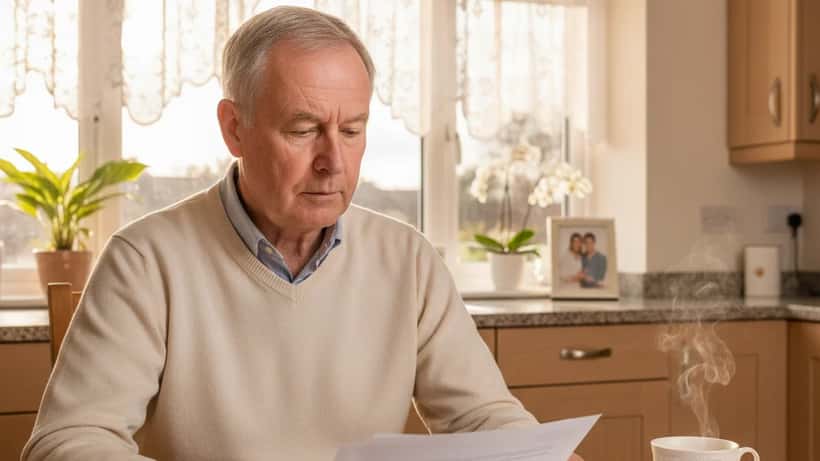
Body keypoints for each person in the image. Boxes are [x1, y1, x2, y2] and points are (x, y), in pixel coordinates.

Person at [22, 7, 583, 461]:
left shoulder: (407, 259)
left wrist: (542, 454)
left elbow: (483, 419)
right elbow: (68, 441)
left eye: (352, 129)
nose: (332, 162)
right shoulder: (146, 260)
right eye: (303, 129)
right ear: (234, 128)